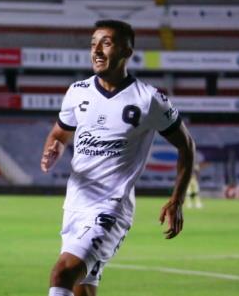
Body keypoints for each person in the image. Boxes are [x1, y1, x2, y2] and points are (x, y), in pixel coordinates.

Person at [40, 20, 196, 296]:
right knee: (82, 289)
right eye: (93, 44)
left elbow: (186, 146)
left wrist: (177, 199)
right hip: (75, 206)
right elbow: (59, 134)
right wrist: (54, 149)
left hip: (110, 207)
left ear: (127, 51)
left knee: (62, 272)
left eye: (107, 43)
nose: (97, 51)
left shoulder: (149, 99)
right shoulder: (77, 92)